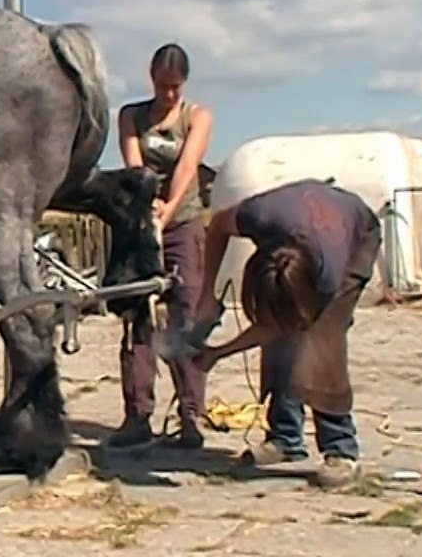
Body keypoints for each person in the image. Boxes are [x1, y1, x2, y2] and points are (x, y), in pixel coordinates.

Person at [191, 178, 382, 489]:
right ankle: (285, 438)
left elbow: (278, 326)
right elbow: (217, 226)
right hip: (307, 223)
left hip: (358, 235)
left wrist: (218, 353)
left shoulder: (328, 275)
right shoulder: (257, 216)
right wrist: (207, 293)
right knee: (284, 335)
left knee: (322, 343)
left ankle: (340, 447)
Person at [106, 42, 214, 450]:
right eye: (162, 86)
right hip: (140, 223)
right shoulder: (132, 116)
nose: (168, 94)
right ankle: (137, 414)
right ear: (151, 80)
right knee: (138, 316)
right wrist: (146, 206)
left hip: (182, 223)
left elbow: (188, 166)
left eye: (175, 87)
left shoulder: (197, 116)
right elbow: (135, 165)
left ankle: (190, 415)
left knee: (184, 316)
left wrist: (166, 211)